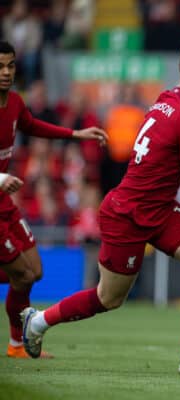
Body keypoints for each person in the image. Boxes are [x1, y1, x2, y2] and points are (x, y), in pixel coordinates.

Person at [21, 42, 180, 376]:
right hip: (128, 215)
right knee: (109, 299)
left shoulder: (169, 99)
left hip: (162, 210)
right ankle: (38, 321)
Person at [0, 40, 107, 359]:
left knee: (34, 271)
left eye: (10, 65)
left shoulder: (16, 103)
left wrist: (75, 134)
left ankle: (16, 346)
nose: (5, 72)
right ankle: (17, 344)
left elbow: (32, 126)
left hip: (4, 204)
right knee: (21, 274)